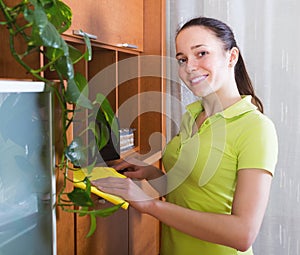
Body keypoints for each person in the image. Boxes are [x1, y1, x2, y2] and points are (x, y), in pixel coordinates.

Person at [92, 17, 278, 255]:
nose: (189, 67)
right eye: (182, 59)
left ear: (231, 57)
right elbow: (194, 193)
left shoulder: (256, 128)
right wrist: (152, 174)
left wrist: (149, 204)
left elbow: (243, 234)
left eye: (201, 53)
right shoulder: (192, 116)